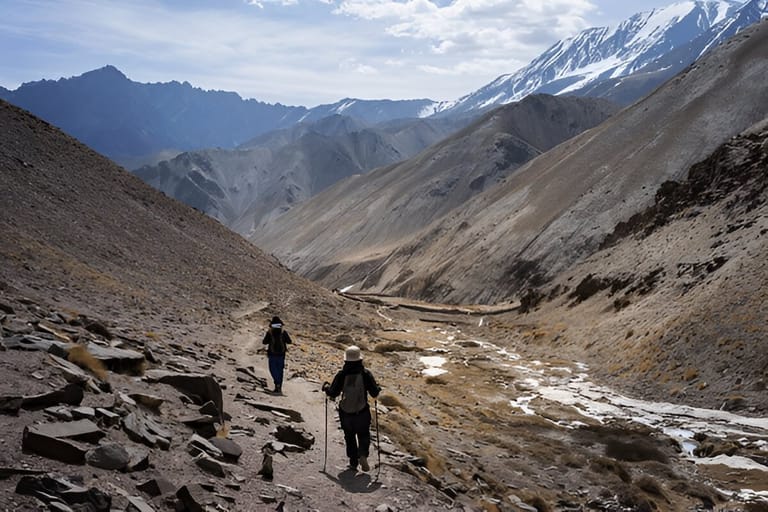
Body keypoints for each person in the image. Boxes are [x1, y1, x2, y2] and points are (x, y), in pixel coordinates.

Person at [322, 345, 381, 472]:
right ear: (360, 359)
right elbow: (374, 393)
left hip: (346, 412)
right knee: (364, 435)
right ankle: (363, 454)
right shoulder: (365, 374)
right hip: (362, 411)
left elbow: (333, 393)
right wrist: (378, 388)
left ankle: (353, 462)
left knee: (349, 437)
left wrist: (326, 387)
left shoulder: (341, 374)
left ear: (346, 360)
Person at [262, 316, 292, 394]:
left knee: (273, 370)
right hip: (281, 355)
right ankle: (279, 387)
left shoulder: (270, 332)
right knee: (280, 371)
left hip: (272, 354)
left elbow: (264, 342)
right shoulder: (283, 332)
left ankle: (277, 384)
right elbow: (289, 341)